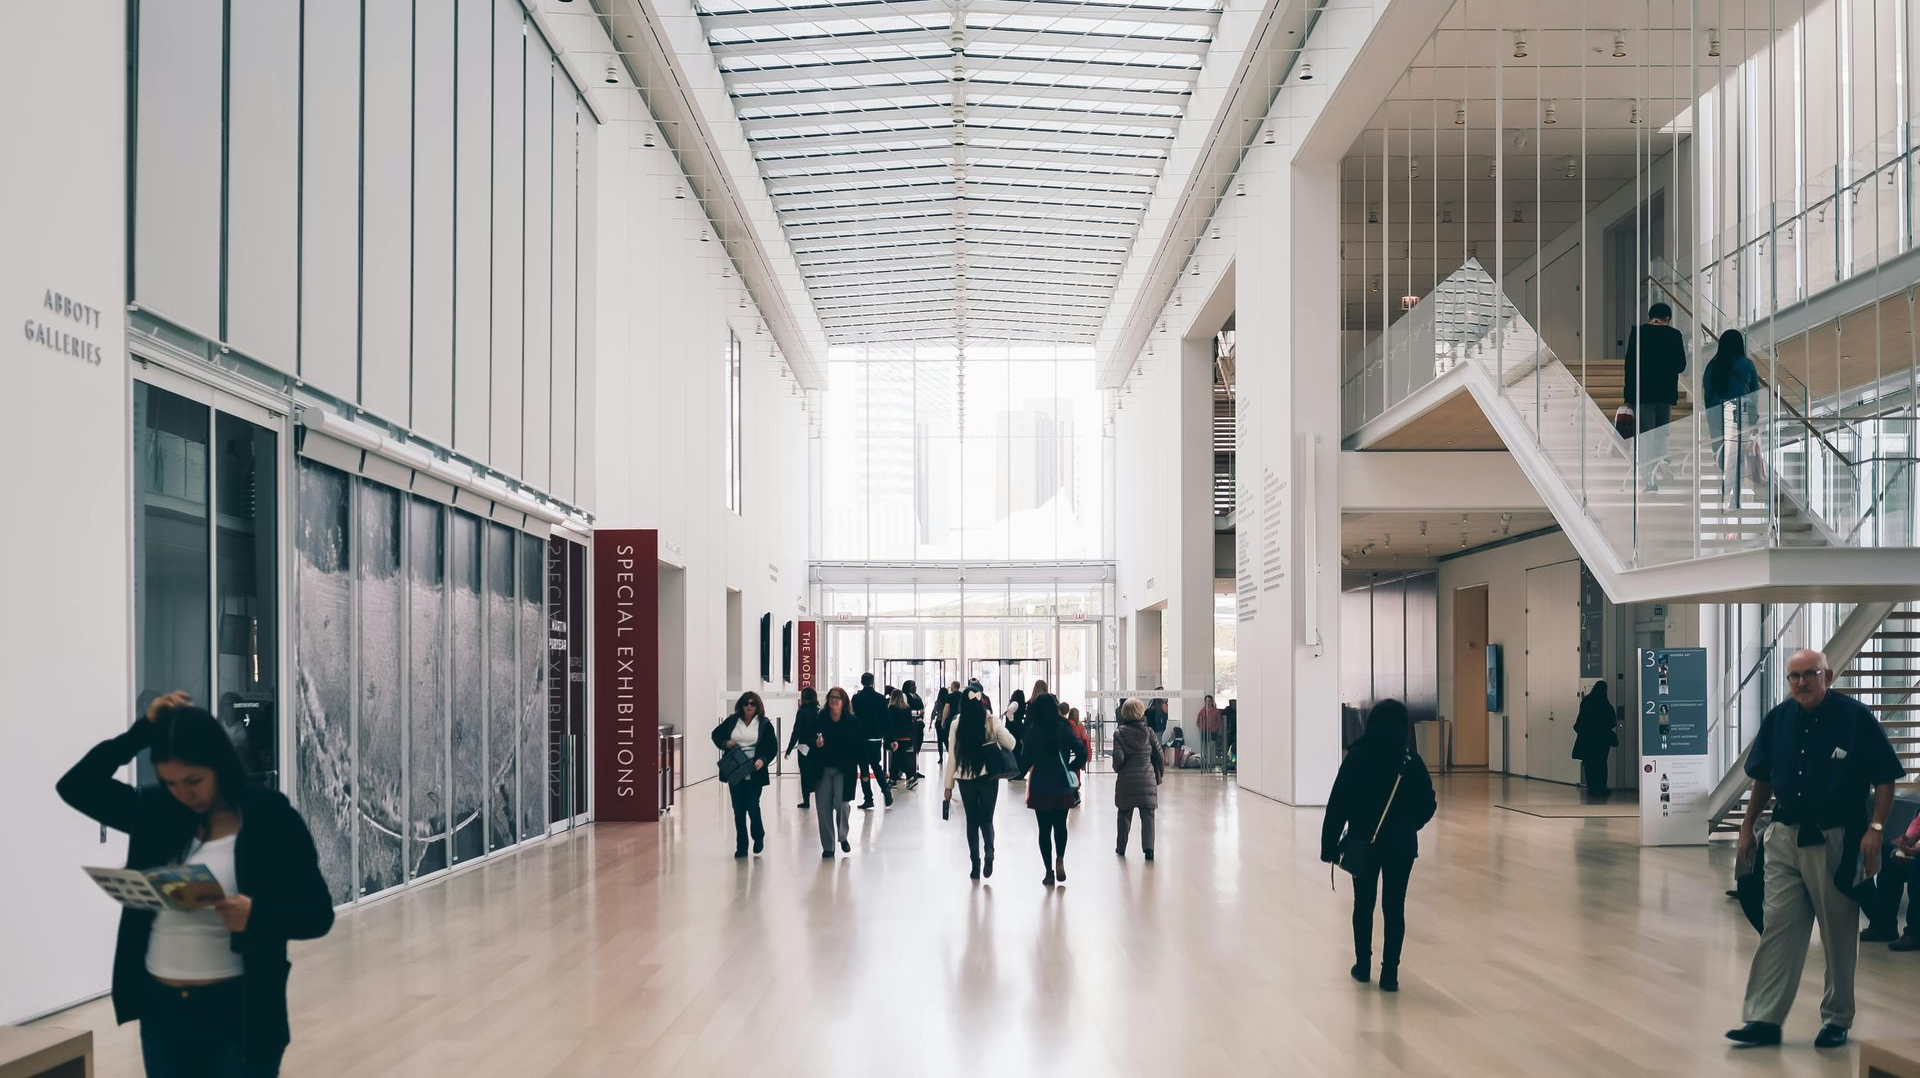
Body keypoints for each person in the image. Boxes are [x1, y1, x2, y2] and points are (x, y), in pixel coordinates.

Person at [57, 691, 335, 1077]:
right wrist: (143, 731)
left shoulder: (270, 816)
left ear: (219, 765)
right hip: (162, 1010)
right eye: (170, 783)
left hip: (239, 1013)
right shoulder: (157, 813)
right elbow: (76, 786)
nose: (184, 793)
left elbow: (318, 915)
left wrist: (256, 915)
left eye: (194, 780)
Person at [1726, 649, 1905, 1049]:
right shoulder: (1779, 719)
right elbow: (1764, 778)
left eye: (1810, 674)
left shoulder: (1855, 719)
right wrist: (1748, 826)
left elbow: (1886, 778)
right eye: (1794, 676)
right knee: (1778, 928)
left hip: (1836, 838)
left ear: (1828, 675)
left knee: (1838, 931)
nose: (1802, 683)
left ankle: (1837, 1018)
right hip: (1785, 835)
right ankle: (1763, 1019)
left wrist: (1875, 829)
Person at [1319, 700, 1437, 993]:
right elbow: (1428, 804)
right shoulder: (1410, 762)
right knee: (1394, 908)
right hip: (1401, 845)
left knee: (1364, 904)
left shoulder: (1357, 757)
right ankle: (1390, 975)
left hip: (1363, 843)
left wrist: (1329, 846)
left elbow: (1338, 805)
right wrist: (1411, 826)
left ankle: (1362, 966)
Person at [943, 683, 1016, 880]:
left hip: (965, 779)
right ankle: (989, 852)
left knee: (971, 821)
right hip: (988, 777)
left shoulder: (956, 724)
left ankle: (975, 863)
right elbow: (1011, 743)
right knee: (987, 820)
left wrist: (948, 787)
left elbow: (952, 757)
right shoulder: (991, 720)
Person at [1020, 682, 1087, 886]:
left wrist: (1016, 770)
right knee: (1060, 825)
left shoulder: (1033, 731)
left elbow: (1025, 761)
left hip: (1041, 784)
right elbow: (1082, 751)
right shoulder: (1065, 728)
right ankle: (1060, 859)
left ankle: (1048, 871)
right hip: (1061, 784)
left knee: (1044, 830)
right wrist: (1070, 765)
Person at [1622, 301, 1688, 490]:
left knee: (1646, 438)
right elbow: (1681, 365)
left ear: (1651, 316)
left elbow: (1630, 366)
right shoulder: (1674, 335)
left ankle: (1649, 480)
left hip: (1642, 395)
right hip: (1665, 395)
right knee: (1661, 435)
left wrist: (1628, 396)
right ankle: (1664, 463)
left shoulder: (1639, 333)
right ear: (1667, 319)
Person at [711, 691, 779, 858]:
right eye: (746, 703)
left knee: (753, 806)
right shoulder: (732, 721)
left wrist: (763, 759)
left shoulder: (764, 724)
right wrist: (725, 743)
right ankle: (742, 846)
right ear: (741, 705)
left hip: (754, 772)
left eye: (752, 704)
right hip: (735, 772)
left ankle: (758, 835)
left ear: (758, 706)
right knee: (738, 810)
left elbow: (772, 746)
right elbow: (716, 734)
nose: (749, 706)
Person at [1702, 328, 1761, 507]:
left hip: (1718, 414)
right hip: (1741, 413)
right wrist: (1754, 418)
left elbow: (1707, 394)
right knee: (1738, 456)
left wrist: (1710, 416)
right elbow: (1754, 394)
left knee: (1722, 454)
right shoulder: (1747, 364)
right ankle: (1734, 497)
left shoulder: (1713, 366)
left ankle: (1728, 490)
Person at [812, 687, 863, 857]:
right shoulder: (821, 718)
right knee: (823, 808)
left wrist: (864, 771)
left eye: (837, 698)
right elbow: (812, 740)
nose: (834, 700)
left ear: (843, 702)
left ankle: (843, 836)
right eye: (831, 697)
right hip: (823, 768)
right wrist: (817, 744)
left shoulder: (852, 721)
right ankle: (828, 846)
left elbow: (860, 747)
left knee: (842, 804)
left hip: (844, 769)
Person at [1112, 699, 1165, 860]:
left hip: (1126, 780)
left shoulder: (1119, 733)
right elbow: (1160, 756)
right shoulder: (1148, 732)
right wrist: (1158, 775)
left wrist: (1117, 768)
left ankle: (1121, 848)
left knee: (1124, 814)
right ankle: (1149, 849)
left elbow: (1118, 759)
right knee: (1148, 815)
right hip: (1146, 779)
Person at [851, 672, 893, 809]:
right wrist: (890, 738)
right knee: (876, 766)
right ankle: (885, 790)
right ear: (873, 682)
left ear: (862, 682)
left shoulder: (856, 698)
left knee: (864, 769)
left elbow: (854, 718)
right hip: (876, 737)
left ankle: (868, 798)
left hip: (861, 737)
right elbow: (887, 720)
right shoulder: (880, 698)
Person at [1571, 681, 1618, 799]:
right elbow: (1613, 722)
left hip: (1588, 738)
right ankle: (1602, 787)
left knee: (1589, 763)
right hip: (1603, 740)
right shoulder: (1606, 704)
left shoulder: (1587, 702)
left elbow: (1581, 720)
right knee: (1601, 763)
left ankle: (1592, 787)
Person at [786, 687, 824, 809]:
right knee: (818, 773)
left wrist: (789, 749)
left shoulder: (802, 712)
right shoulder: (819, 711)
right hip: (817, 747)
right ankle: (821, 799)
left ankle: (806, 801)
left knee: (805, 774)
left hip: (803, 748)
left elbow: (796, 731)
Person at [885, 689, 920, 791]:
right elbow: (909, 723)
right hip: (906, 737)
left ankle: (910, 776)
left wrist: (890, 738)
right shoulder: (907, 708)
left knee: (898, 759)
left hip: (896, 737)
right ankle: (893, 779)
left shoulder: (891, 708)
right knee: (898, 758)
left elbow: (890, 724)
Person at [1196, 694, 1222, 763]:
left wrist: (1215, 729)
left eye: (1210, 701)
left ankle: (1212, 761)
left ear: (1212, 702)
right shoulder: (1202, 711)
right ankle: (1206, 761)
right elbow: (1198, 721)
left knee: (1212, 746)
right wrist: (1203, 727)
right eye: (1207, 701)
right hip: (1204, 732)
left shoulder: (1216, 711)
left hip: (1213, 732)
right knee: (1204, 747)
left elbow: (1219, 722)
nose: (1208, 703)